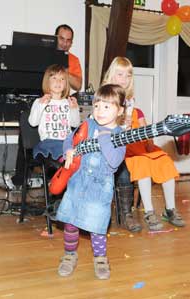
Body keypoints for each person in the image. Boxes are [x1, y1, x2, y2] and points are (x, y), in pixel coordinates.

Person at [102, 57, 185, 231]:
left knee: (165, 160)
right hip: (125, 149)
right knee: (142, 165)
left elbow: (146, 131)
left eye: (128, 75)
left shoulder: (135, 107)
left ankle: (170, 209)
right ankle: (149, 212)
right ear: (111, 75)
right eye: (120, 75)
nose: (124, 79)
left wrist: (148, 139)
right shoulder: (106, 102)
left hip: (141, 146)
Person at [55, 84, 126, 280]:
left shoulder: (121, 135)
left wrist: (104, 139)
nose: (100, 111)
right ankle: (69, 255)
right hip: (78, 182)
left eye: (107, 107)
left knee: (97, 227)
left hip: (99, 188)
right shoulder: (88, 124)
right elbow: (70, 139)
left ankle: (100, 258)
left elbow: (113, 163)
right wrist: (68, 150)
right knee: (71, 223)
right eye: (97, 106)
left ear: (119, 111)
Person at [28, 64, 80, 161]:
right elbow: (33, 122)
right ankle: (64, 160)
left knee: (80, 150)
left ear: (66, 84)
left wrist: (74, 109)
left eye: (62, 79)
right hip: (48, 142)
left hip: (66, 142)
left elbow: (75, 124)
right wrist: (41, 105)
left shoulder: (68, 102)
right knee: (63, 150)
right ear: (47, 82)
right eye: (54, 78)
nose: (58, 82)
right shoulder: (40, 101)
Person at [55, 24, 82, 92]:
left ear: (71, 43)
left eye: (68, 40)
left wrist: (65, 72)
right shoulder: (44, 54)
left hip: (62, 99)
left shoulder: (74, 59)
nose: (64, 43)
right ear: (55, 38)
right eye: (62, 39)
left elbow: (78, 86)